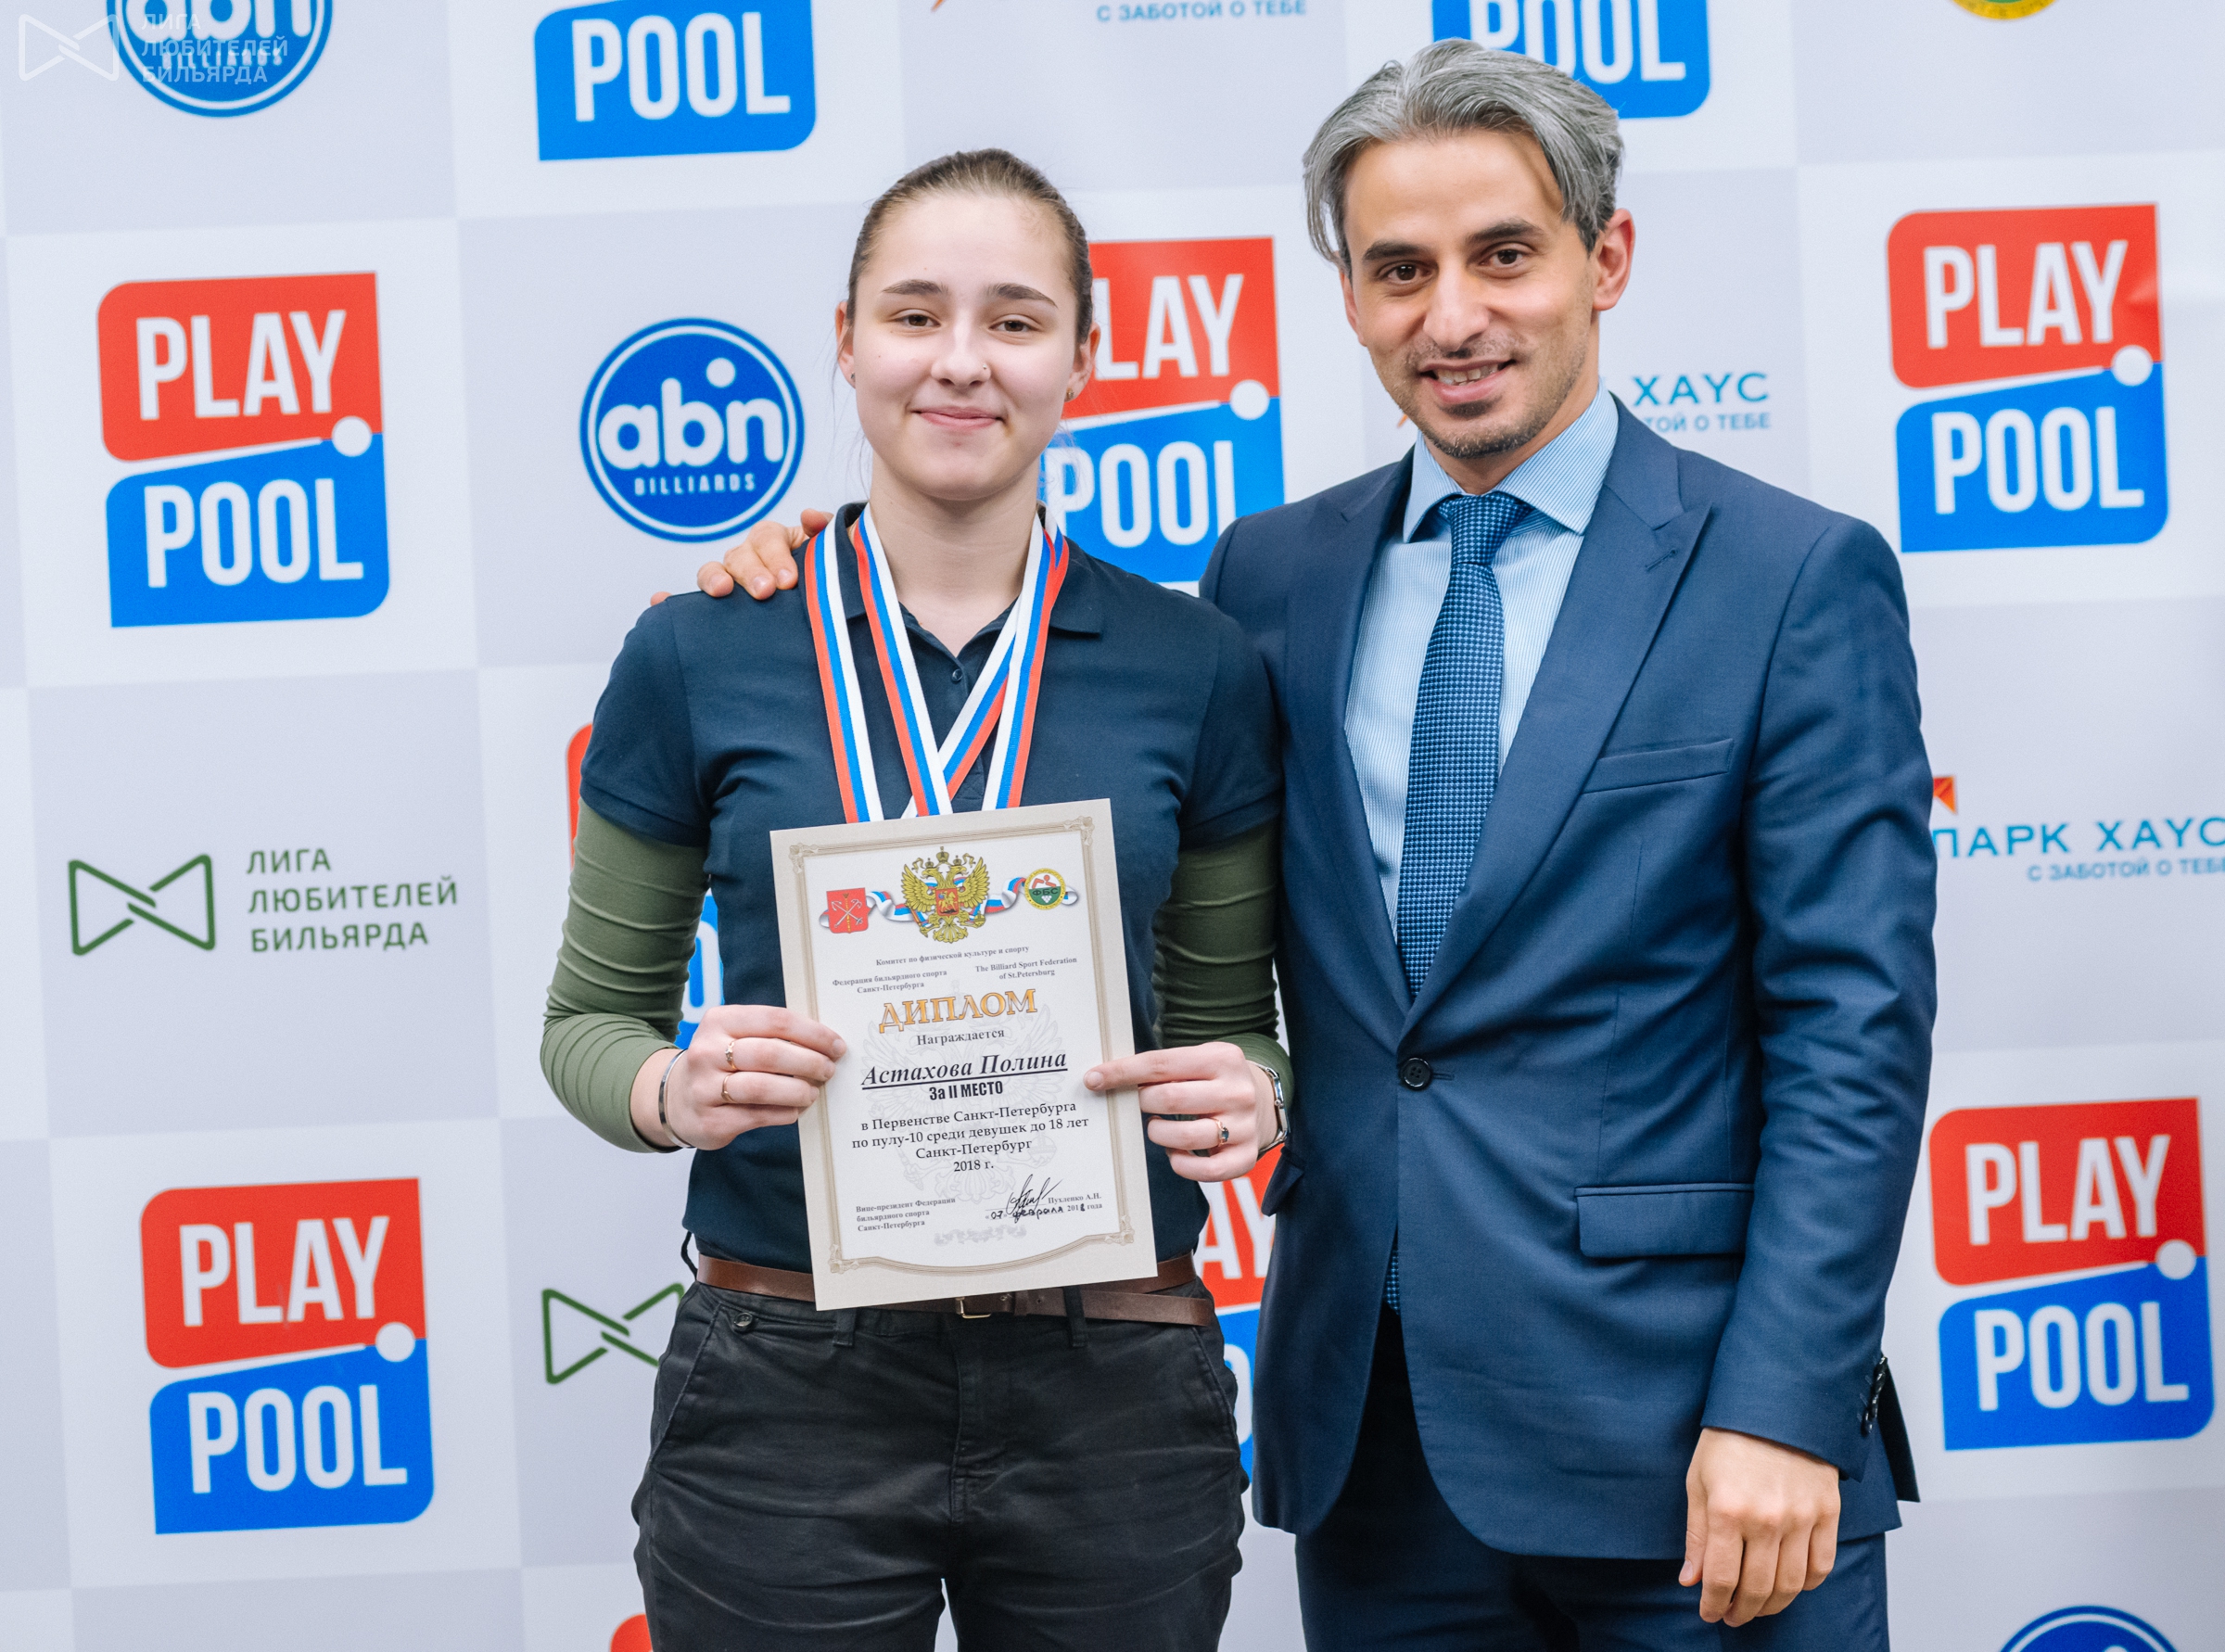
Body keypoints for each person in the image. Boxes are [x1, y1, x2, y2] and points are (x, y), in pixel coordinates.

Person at [698, 40, 1936, 1652]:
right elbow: (1090, 755)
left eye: (1505, 254)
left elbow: (1854, 1031)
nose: (1453, 316)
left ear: (1607, 257)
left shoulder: (1791, 576)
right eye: (1400, 269)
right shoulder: (1271, 580)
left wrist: (1784, 1403)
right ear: (1348, 293)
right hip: (1373, 1445)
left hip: (1698, 1448)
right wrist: (808, 561)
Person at [544, 148, 1292, 1652]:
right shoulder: (698, 652)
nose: (961, 360)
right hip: (787, 1373)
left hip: (1111, 1374)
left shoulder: (1196, 665)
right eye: (914, 314)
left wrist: (1253, 1094)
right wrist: (676, 1089)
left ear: (1083, 357)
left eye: (1015, 320)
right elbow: (587, 1029)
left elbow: (1239, 1033)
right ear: (846, 341)